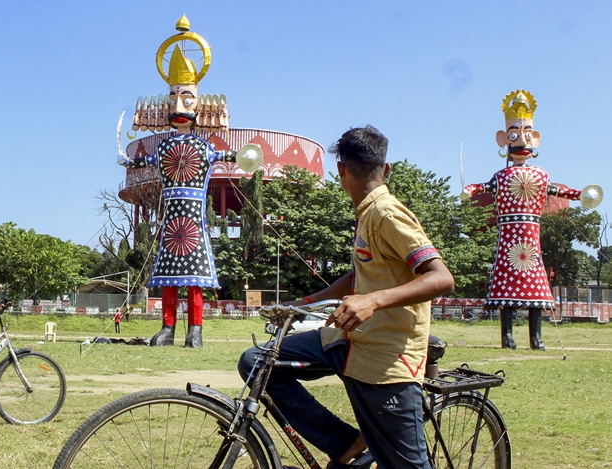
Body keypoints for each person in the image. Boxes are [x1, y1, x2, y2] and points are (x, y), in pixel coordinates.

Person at [238, 126, 454, 468]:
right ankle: (345, 444)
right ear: (386, 169)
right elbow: (358, 278)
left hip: (386, 360)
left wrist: (373, 301)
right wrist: (301, 305)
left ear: (340, 169)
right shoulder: (366, 213)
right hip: (348, 341)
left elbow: (441, 278)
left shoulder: (386, 213)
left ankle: (361, 444)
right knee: (258, 363)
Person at [118, 15, 239, 347]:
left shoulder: (204, 147)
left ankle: (195, 330)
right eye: (174, 97)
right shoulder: (166, 145)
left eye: (187, 97)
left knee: (195, 280)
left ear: (200, 102)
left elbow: (225, 158)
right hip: (173, 222)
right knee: (170, 278)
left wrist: (234, 157)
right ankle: (168, 328)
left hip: (193, 223)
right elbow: (150, 161)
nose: (179, 105)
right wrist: (135, 161)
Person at [462, 90, 600, 350]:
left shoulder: (541, 175)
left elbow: (562, 191)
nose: (521, 139)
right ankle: (508, 337)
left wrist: (582, 195)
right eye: (514, 134)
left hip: (530, 239)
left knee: (535, 289)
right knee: (508, 289)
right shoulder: (501, 177)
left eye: (526, 133)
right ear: (504, 140)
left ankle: (536, 338)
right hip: (509, 237)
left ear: (535, 139)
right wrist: (469, 189)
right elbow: (481, 186)